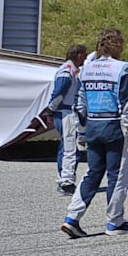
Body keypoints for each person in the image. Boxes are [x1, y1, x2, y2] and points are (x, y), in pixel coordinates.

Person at [61, 29, 128, 238]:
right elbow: (127, 103)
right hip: (115, 127)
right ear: (118, 46)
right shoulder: (122, 69)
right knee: (117, 175)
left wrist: (82, 131)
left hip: (93, 126)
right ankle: (114, 222)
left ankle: (72, 217)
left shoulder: (86, 69)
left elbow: (80, 102)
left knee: (92, 173)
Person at [49, 44, 88, 195]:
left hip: (67, 112)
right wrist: (51, 109)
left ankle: (65, 178)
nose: (85, 57)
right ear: (78, 55)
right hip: (66, 113)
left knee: (67, 146)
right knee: (70, 148)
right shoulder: (67, 71)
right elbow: (60, 92)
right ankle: (66, 182)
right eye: (84, 54)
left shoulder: (71, 69)